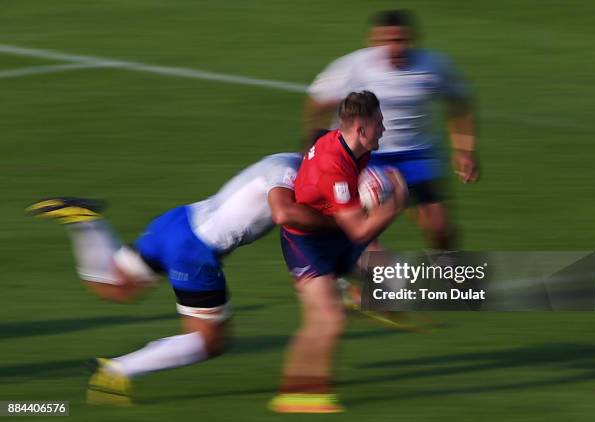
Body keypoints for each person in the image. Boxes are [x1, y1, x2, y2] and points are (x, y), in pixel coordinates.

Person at [27, 152, 335, 406]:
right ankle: (116, 370)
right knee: (211, 340)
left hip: (179, 221)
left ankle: (85, 221)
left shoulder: (285, 160)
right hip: (194, 248)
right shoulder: (291, 174)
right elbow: (287, 217)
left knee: (115, 285)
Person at [269, 91, 407, 413]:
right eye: (379, 124)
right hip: (307, 244)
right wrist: (394, 205)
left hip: (333, 230)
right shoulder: (336, 166)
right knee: (327, 320)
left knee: (398, 281)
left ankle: (354, 291)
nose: (384, 129)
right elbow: (359, 230)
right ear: (360, 128)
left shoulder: (352, 145)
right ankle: (296, 393)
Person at [304, 9, 479, 250]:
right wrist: (315, 145)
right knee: (359, 228)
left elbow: (459, 104)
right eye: (389, 41)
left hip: (416, 154)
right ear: (374, 40)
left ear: (413, 39)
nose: (396, 47)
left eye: (402, 40)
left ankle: (447, 280)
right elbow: (318, 104)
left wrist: (465, 150)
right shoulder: (353, 67)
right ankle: (349, 277)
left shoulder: (434, 66)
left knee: (440, 227)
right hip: (364, 156)